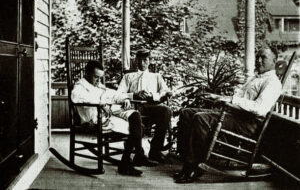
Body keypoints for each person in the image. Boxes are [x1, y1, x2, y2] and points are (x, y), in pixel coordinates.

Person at [174, 45, 282, 183]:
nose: (259, 60)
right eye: (257, 57)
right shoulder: (256, 78)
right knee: (186, 113)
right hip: (235, 115)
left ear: (274, 61)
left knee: (200, 119)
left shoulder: (272, 82)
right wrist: (218, 98)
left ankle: (193, 167)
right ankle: (187, 161)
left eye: (263, 57)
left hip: (249, 123)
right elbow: (237, 97)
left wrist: (231, 100)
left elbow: (259, 109)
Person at [71, 60, 156, 177]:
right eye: (96, 77)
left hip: (109, 114)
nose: (99, 80)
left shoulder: (98, 85)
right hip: (95, 120)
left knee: (135, 115)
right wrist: (101, 104)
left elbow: (113, 94)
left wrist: (125, 98)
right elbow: (76, 98)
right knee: (137, 127)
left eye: (100, 78)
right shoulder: (80, 87)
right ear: (87, 73)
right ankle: (129, 161)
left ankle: (136, 156)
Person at [117, 49, 173, 163]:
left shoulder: (156, 76)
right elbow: (119, 94)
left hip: (152, 106)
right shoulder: (128, 76)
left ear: (150, 61)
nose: (142, 63)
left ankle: (155, 151)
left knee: (166, 110)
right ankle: (139, 153)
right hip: (134, 106)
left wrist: (153, 95)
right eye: (139, 60)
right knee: (136, 117)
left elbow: (165, 91)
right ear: (136, 61)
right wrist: (134, 94)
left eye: (145, 60)